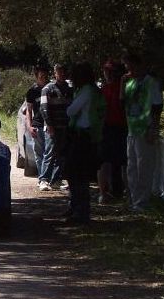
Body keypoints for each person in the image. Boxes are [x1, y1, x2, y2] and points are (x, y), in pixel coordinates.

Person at [121, 52, 163, 212]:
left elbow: (157, 106)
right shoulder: (130, 83)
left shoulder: (151, 83)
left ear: (139, 65)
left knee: (144, 166)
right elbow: (123, 103)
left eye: (130, 66)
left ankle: (142, 201)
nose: (128, 69)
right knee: (132, 166)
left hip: (145, 129)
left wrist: (153, 128)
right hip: (132, 129)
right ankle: (133, 199)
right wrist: (122, 84)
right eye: (126, 67)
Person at [65, 63, 106, 224]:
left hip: (82, 136)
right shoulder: (94, 91)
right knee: (78, 175)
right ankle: (77, 208)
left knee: (77, 175)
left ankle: (80, 212)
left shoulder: (86, 91)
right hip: (90, 135)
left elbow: (71, 111)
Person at [97, 59, 128, 203]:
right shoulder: (121, 88)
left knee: (106, 161)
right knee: (121, 162)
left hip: (110, 127)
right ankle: (120, 192)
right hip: (120, 127)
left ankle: (105, 193)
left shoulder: (105, 90)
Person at [40, 63, 72, 191]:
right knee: (50, 153)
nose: (62, 74)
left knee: (61, 154)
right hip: (52, 127)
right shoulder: (48, 89)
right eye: (59, 72)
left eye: (64, 72)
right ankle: (43, 180)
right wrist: (49, 124)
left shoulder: (69, 89)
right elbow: (43, 108)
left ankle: (56, 180)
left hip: (65, 126)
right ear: (55, 74)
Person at [25, 65, 50, 189]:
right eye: (41, 77)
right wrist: (29, 126)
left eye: (45, 77)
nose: (44, 79)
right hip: (37, 125)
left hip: (49, 125)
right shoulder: (32, 91)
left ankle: (49, 178)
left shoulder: (51, 88)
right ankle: (41, 178)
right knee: (39, 153)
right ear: (36, 77)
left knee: (49, 153)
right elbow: (28, 111)